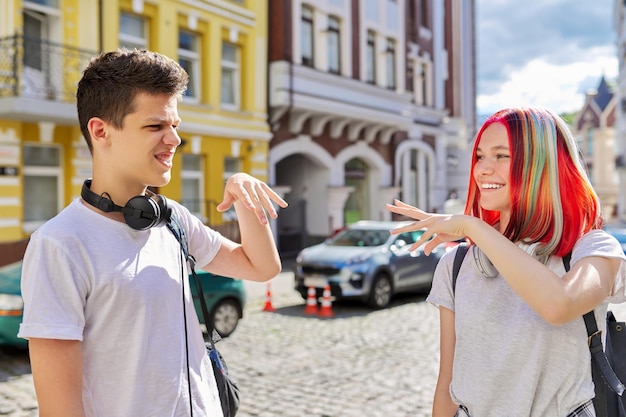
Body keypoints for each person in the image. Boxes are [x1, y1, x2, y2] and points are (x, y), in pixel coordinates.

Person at [18, 48, 287, 417]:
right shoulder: (60, 244)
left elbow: (262, 268)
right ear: (101, 131)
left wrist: (243, 193)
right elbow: (60, 410)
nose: (174, 139)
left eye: (174, 126)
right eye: (155, 126)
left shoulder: (172, 217)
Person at [386, 107, 626, 417]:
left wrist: (473, 227)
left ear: (544, 165)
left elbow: (559, 305)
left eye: (502, 156)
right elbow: (448, 383)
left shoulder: (593, 250)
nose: (483, 169)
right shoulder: (456, 266)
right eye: (480, 156)